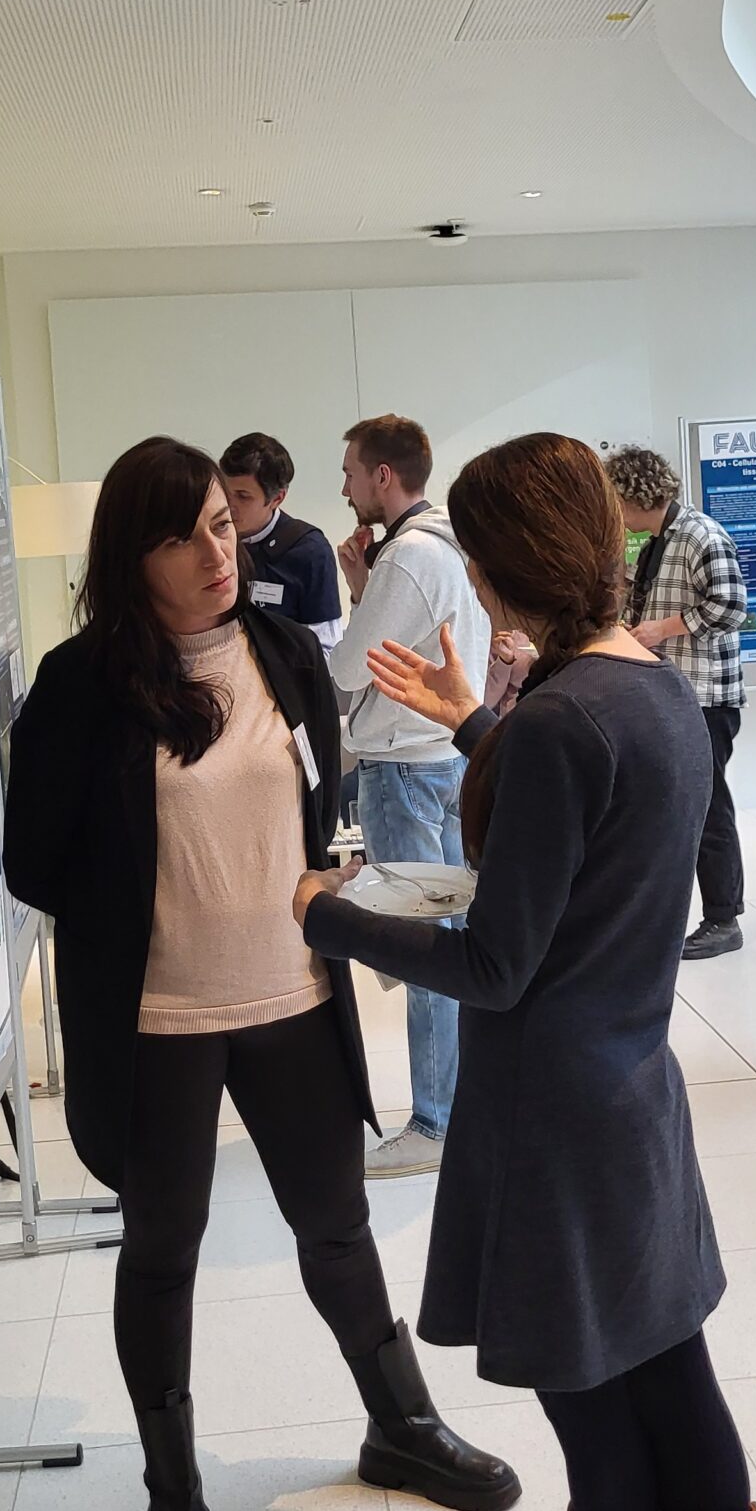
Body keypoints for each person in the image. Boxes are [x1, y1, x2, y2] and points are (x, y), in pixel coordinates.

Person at [294, 433, 756, 1511]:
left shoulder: (567, 719)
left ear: (506, 565)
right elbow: (589, 826)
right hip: (622, 1093)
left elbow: (500, 963)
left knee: (631, 1395)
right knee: (633, 1387)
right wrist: (473, 723)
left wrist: (331, 914)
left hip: (560, 1117)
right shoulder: (641, 690)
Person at [3, 437, 517, 1511]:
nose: (215, 550)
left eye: (219, 525)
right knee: (163, 1249)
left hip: (292, 995)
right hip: (159, 1020)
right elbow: (36, 862)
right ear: (129, 556)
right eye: (182, 535)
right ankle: (172, 1501)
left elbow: (316, 801)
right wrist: (151, 888)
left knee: (336, 1226)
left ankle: (400, 1422)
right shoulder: (80, 685)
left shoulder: (283, 651)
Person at [330, 414, 491, 1177]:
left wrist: (362, 597)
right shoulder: (451, 545)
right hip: (447, 761)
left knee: (425, 952)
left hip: (404, 770)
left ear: (383, 476)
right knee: (455, 940)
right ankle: (460, 1107)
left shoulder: (408, 557)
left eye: (351, 473)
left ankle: (435, 1122)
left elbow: (346, 670)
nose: (346, 487)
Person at [602, 446, 751, 961]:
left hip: (706, 695)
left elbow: (732, 606)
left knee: (708, 808)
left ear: (633, 495)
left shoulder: (700, 535)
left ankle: (724, 917)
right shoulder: (658, 542)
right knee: (683, 807)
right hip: (679, 692)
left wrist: (661, 629)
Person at [218, 432, 343, 647]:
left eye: (243, 496)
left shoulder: (309, 551)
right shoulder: (210, 539)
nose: (229, 505)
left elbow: (324, 647)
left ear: (277, 498)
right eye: (224, 492)